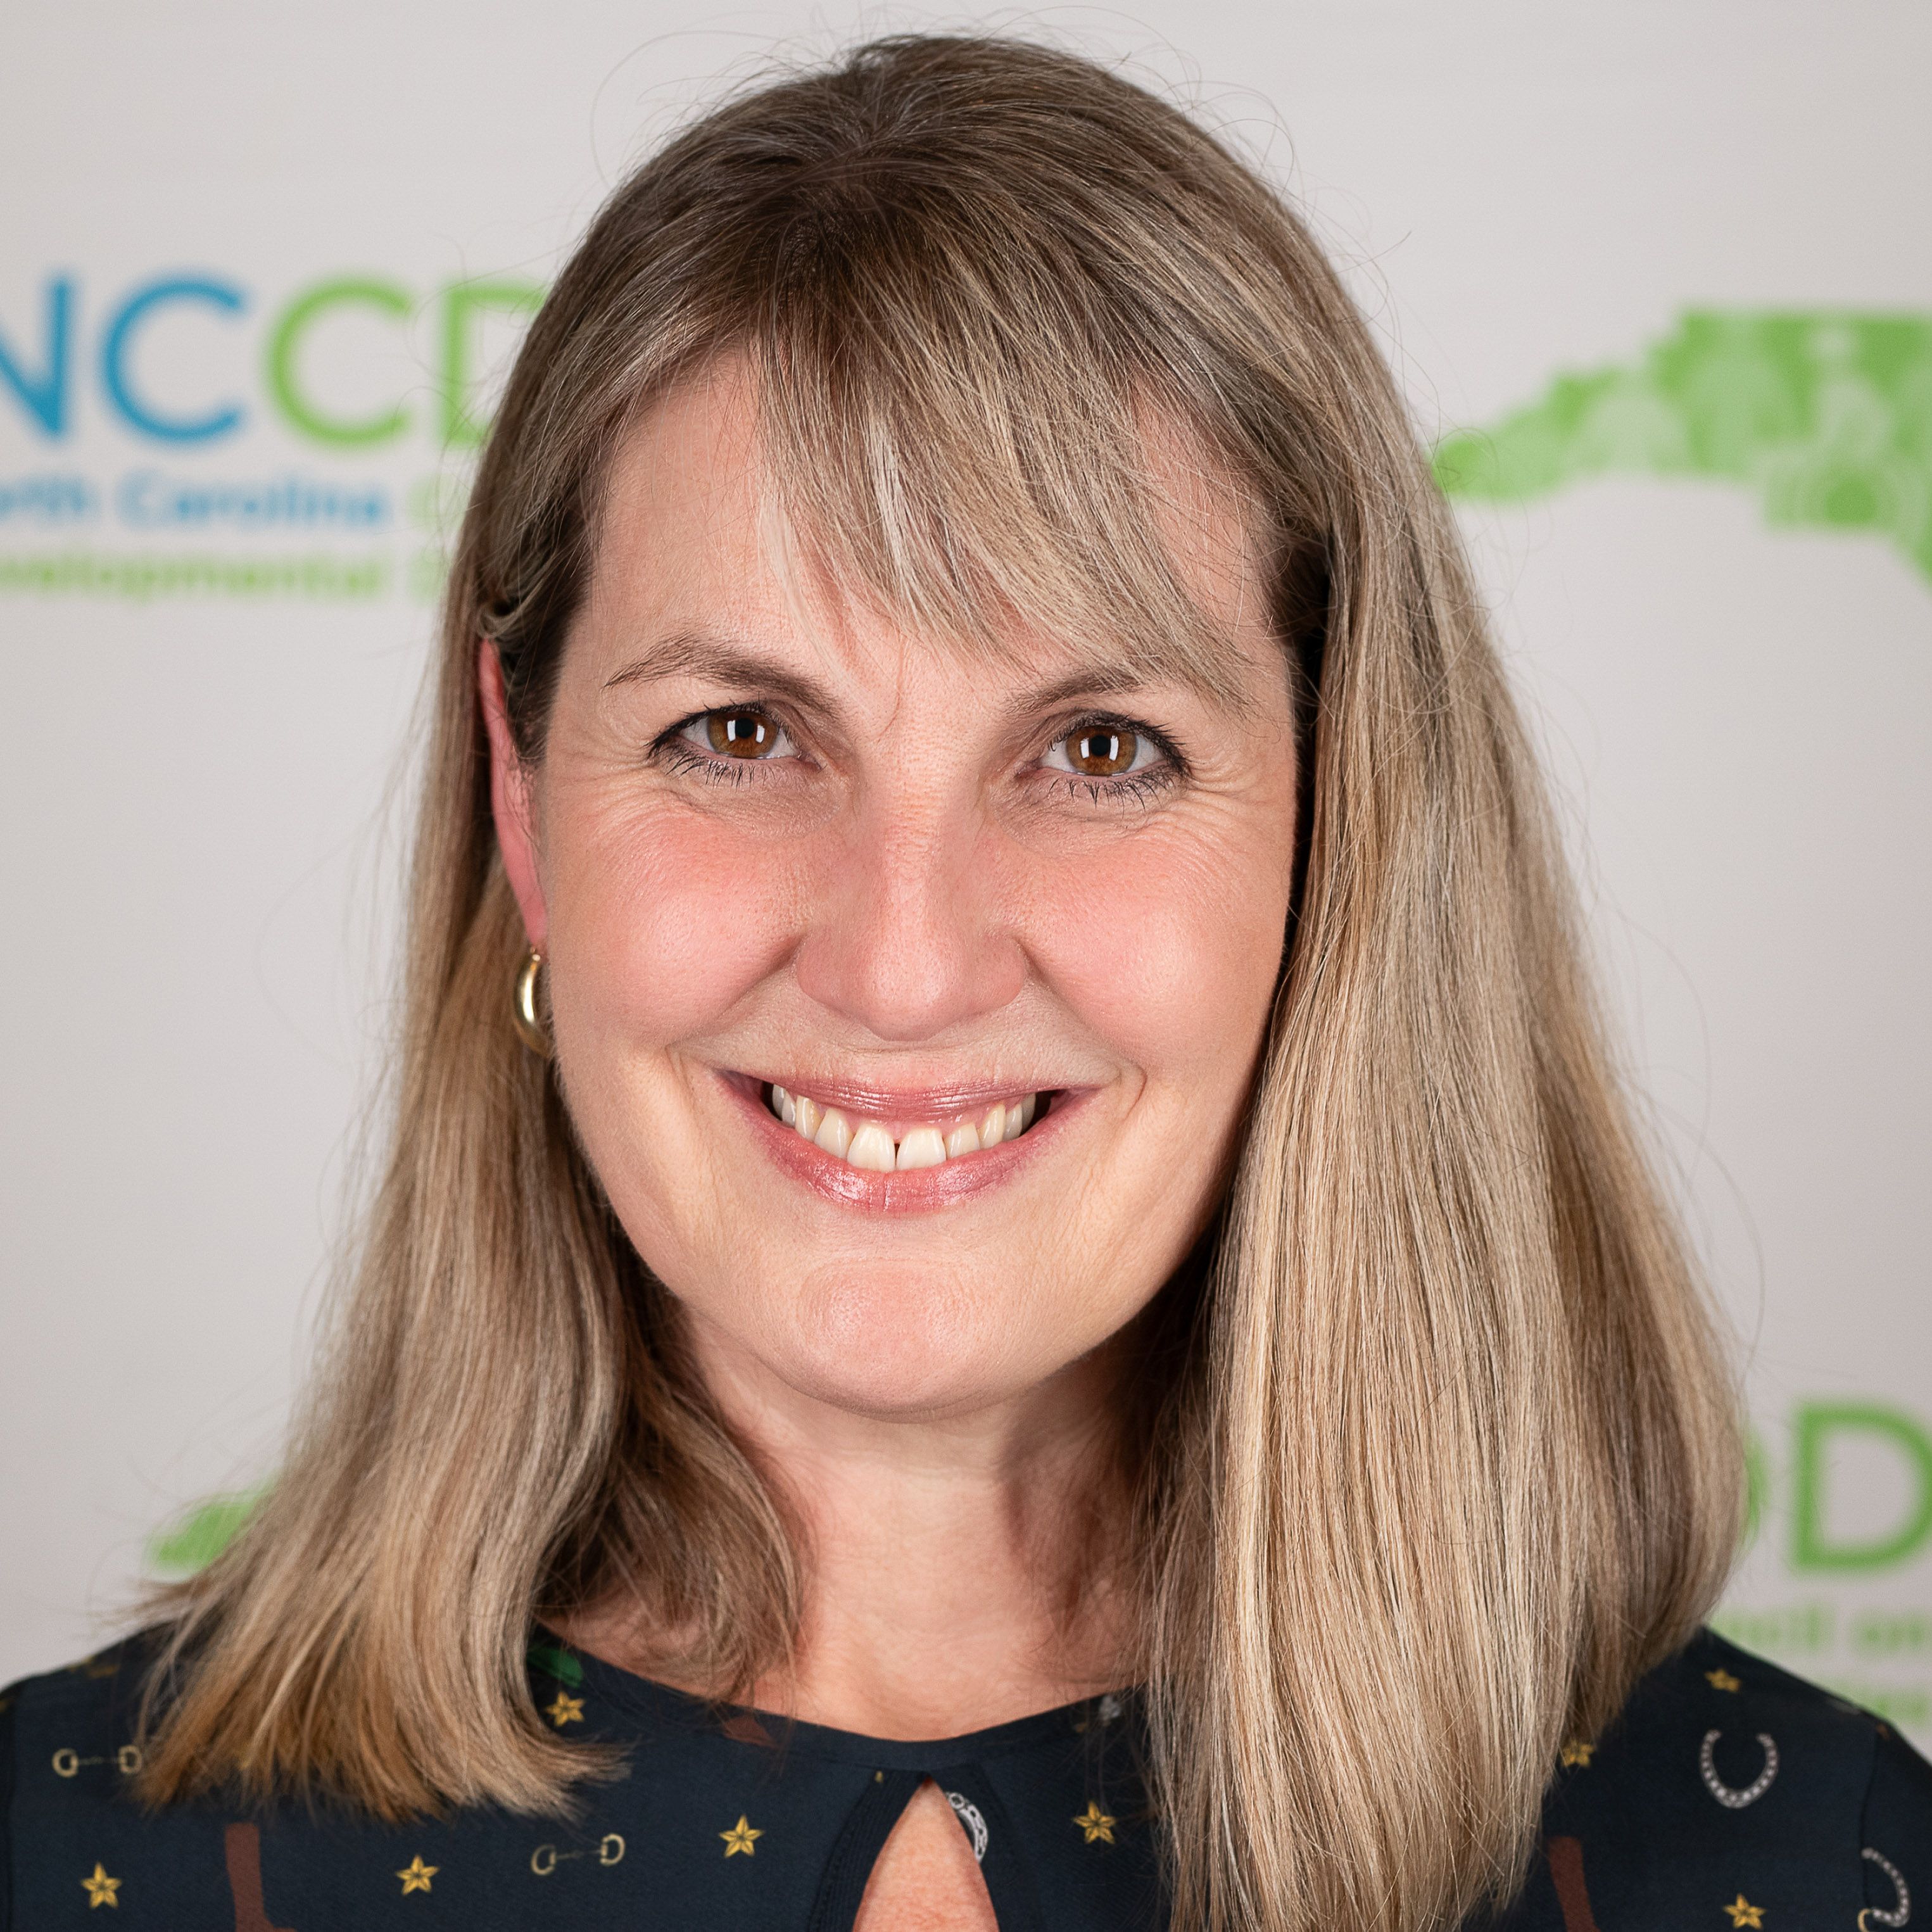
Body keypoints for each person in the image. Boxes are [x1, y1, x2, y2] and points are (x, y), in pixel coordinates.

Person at [3, 32, 1925, 1932]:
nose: (903, 964)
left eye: (1097, 749)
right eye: (739, 731)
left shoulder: (1799, 1863)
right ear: (522, 796)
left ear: (1338, 823)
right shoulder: (64, 1856)